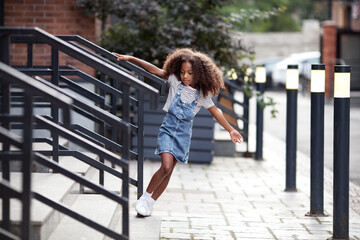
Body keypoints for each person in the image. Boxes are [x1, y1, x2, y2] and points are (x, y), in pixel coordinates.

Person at [113, 48, 243, 217]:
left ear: (199, 74)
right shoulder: (175, 82)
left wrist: (231, 130)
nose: (185, 76)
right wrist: (132, 58)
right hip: (168, 129)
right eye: (182, 72)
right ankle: (144, 198)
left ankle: (150, 204)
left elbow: (217, 112)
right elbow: (155, 70)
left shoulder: (202, 95)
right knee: (165, 166)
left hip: (183, 134)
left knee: (169, 171)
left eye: (190, 73)